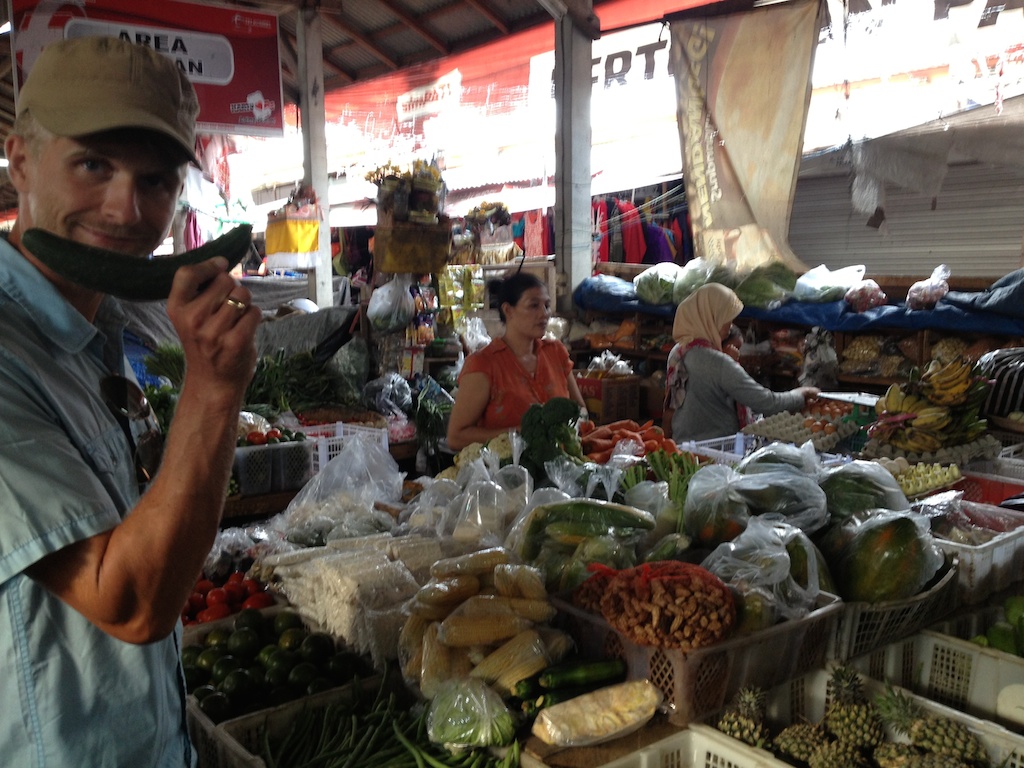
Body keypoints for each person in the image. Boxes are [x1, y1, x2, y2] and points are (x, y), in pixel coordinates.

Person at [0, 37, 260, 766]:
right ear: (20, 159)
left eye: (155, 180)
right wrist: (214, 388)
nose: (126, 208)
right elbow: (130, 601)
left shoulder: (98, 329)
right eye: (94, 165)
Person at [447, 270, 586, 450]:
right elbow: (456, 438)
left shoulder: (555, 352)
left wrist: (573, 429)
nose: (544, 314)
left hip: (561, 467)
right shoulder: (483, 364)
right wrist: (520, 434)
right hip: (504, 472)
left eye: (547, 305)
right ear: (508, 310)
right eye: (534, 305)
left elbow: (580, 408)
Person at [663, 282, 818, 442]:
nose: (730, 327)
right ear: (712, 317)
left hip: (683, 446)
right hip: (716, 450)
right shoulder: (718, 362)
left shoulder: (678, 352)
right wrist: (799, 394)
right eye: (726, 320)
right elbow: (766, 403)